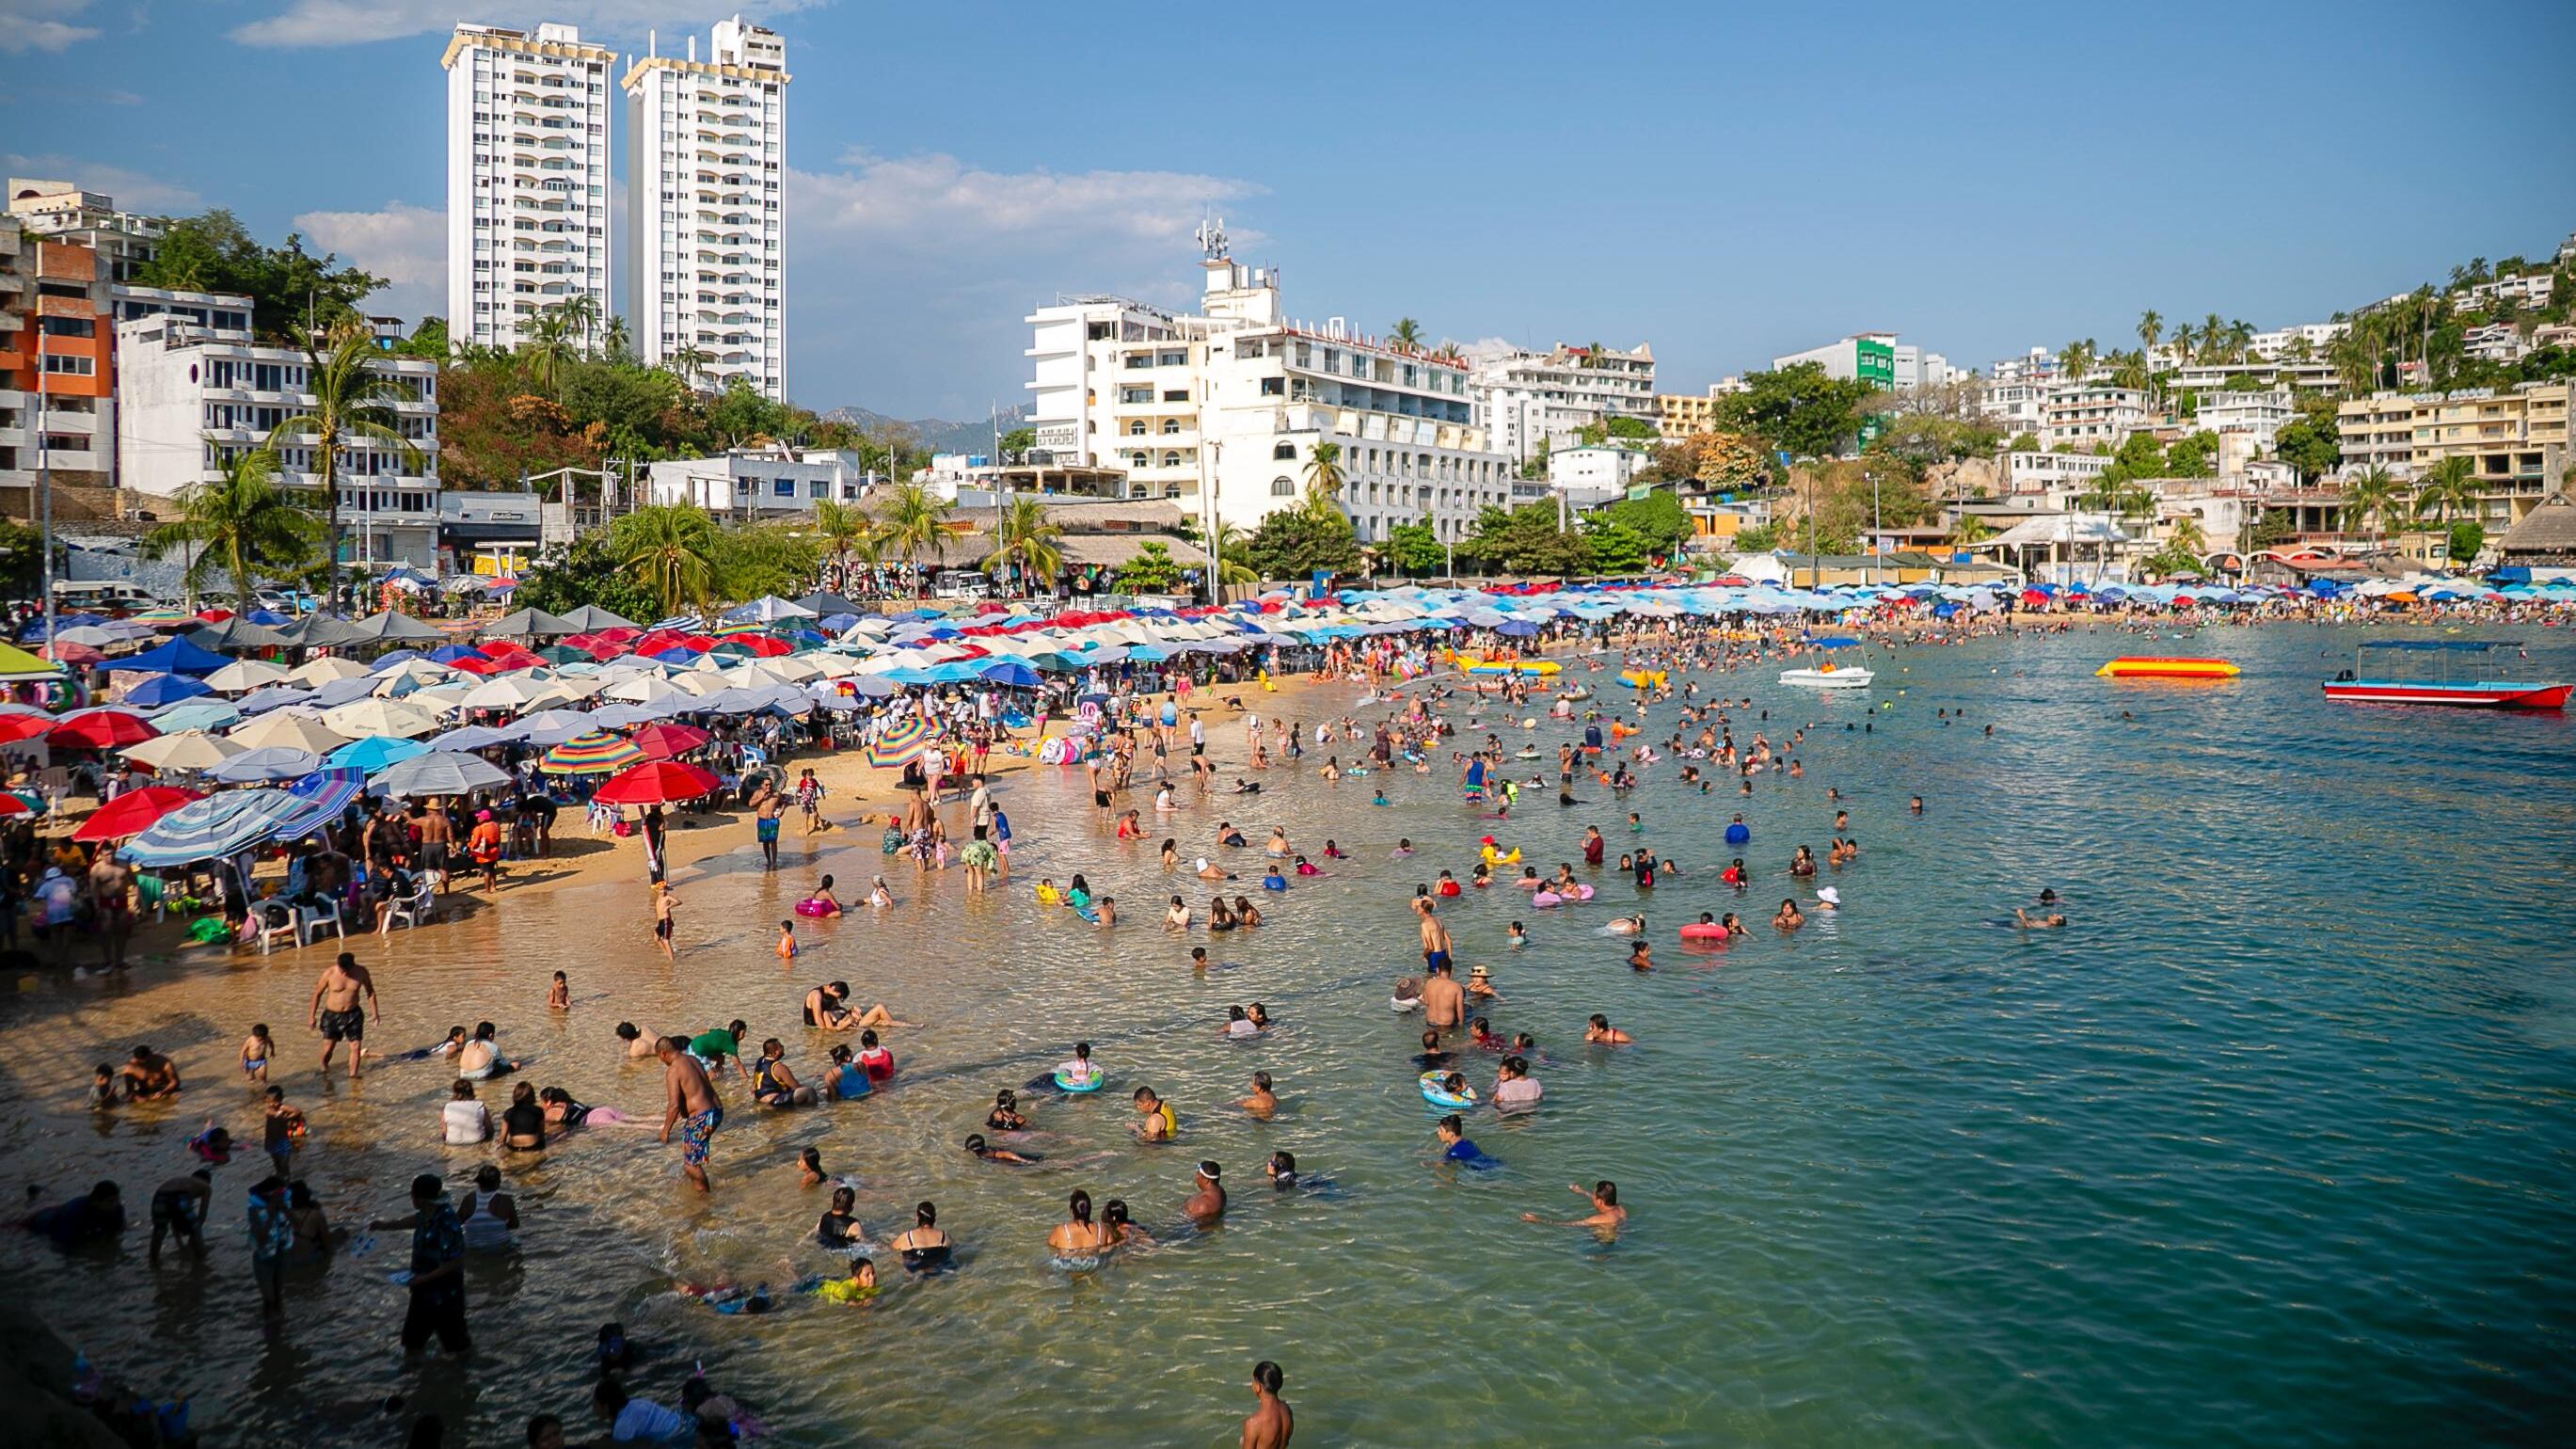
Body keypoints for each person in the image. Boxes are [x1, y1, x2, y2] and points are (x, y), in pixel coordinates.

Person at [372, 1173, 469, 1354]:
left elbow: (455, 1262)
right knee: (412, 1345)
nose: (411, 1198)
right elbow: (416, 1220)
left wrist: (424, 1278)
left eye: (412, 1195)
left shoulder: (448, 1222)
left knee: (457, 1350)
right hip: (422, 1291)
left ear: (422, 1199)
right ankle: (415, 1380)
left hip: (446, 1295)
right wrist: (384, 1225)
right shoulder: (426, 1213)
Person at [656, 1036, 724, 1194]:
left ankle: (705, 1201)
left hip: (702, 1116)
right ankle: (694, 1188)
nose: (660, 1061)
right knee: (688, 1150)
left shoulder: (673, 1070)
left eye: (659, 1057)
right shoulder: (693, 1060)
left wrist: (666, 1130)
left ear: (663, 1053)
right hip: (716, 1110)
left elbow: (674, 1105)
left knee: (691, 1165)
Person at [309, 952, 380, 1078]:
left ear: (353, 965)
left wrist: (375, 1013)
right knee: (328, 1048)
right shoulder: (329, 973)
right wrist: (311, 1016)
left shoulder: (361, 972)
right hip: (332, 1015)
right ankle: (324, 1068)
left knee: (356, 1046)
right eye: (342, 970)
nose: (344, 974)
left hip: (353, 1014)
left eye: (347, 971)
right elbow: (317, 994)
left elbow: (370, 992)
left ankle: (353, 1077)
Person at [22, 1180, 124, 1247]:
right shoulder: (73, 1212)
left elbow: (117, 1232)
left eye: (117, 1200)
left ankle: (40, 1192)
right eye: (111, 1201)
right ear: (96, 1201)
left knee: (53, 1201)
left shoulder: (117, 1208)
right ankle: (35, 1193)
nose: (115, 1204)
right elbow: (61, 1244)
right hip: (43, 1221)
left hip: (61, 1210)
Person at [592, 1376, 692, 1443]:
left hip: (676, 1437)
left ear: (606, 1407)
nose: (593, 1408)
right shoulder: (637, 1402)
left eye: (596, 1404)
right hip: (683, 1423)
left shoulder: (622, 1426)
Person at [246, 1175, 293, 1314]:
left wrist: (284, 1208)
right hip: (263, 1258)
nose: (281, 1196)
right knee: (269, 1298)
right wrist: (270, 1215)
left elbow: (297, 1224)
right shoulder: (254, 1209)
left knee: (278, 1295)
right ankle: (268, 1328)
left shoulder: (286, 1202)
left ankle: (279, 1326)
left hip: (281, 1253)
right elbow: (260, 1239)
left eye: (282, 1193)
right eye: (278, 1193)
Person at [148, 1168, 213, 1264]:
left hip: (160, 1193)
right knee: (195, 1229)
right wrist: (191, 1243)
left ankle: (153, 1262)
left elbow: (174, 1220)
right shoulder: (206, 1187)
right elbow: (202, 1217)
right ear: (208, 1181)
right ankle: (201, 1264)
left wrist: (181, 1245)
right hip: (180, 1195)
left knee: (159, 1230)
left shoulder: (184, 1181)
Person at [1523, 1179, 1626, 1233]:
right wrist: (1581, 1191)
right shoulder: (1620, 1209)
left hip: (1602, 1246)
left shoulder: (1597, 1219)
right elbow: (1603, 1199)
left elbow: (1569, 1225)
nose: (1592, 1197)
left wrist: (1538, 1220)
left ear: (1599, 1201)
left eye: (1594, 1195)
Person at [458, 1164, 519, 1250]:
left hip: (472, 1245)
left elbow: (458, 1222)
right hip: (498, 1246)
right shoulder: (506, 1200)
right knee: (515, 1242)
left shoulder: (469, 1199)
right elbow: (515, 1225)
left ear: (479, 1182)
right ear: (498, 1183)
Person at [888, 1201, 953, 1274]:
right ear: (934, 1217)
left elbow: (890, 1248)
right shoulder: (945, 1236)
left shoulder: (908, 1237)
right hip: (941, 1268)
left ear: (918, 1218)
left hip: (914, 1269)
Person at [1242, 1360, 1295, 1449]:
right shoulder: (1287, 1410)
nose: (1251, 1384)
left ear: (1258, 1387)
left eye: (1253, 1381)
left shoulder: (1253, 1423)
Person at [750, 1040, 818, 1107]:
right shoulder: (778, 1067)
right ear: (775, 1052)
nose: (783, 1047)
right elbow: (795, 1086)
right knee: (809, 1091)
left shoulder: (760, 1060)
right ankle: (813, 1112)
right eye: (781, 1046)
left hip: (759, 1098)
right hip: (773, 1101)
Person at [1049, 1189, 1110, 1256]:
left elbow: (1051, 1248)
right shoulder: (1102, 1229)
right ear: (1090, 1208)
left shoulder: (1060, 1231)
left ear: (1071, 1211)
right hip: (1095, 1261)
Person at [262, 1087, 306, 1179]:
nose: (273, 1104)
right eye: (269, 1102)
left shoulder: (283, 1107)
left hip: (282, 1140)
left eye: (275, 1101)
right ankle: (279, 1175)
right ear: (265, 1101)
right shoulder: (268, 1110)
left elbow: (297, 1111)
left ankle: (286, 1177)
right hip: (270, 1140)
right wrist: (281, 1115)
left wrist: (289, 1118)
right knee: (276, 1161)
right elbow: (272, 1114)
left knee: (284, 1162)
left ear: (281, 1099)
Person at [815, 1186, 867, 1250]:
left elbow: (815, 1231)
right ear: (852, 1207)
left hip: (822, 1246)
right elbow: (864, 1243)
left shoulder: (824, 1217)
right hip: (841, 1251)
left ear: (833, 1203)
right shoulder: (853, 1225)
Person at [442, 1079, 492, 1145]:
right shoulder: (480, 1105)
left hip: (452, 1143)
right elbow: (489, 1129)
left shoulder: (447, 1107)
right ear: (472, 1092)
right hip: (476, 1142)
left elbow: (444, 1133)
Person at [501, 1082, 547, 1151]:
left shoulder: (508, 1113)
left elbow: (502, 1138)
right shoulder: (538, 1111)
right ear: (532, 1096)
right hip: (533, 1146)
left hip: (513, 1148)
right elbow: (541, 1134)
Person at [814, 1257, 881, 1304]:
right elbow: (843, 1300)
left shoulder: (874, 1288)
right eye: (867, 1275)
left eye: (873, 1273)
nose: (872, 1277)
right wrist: (861, 1303)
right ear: (856, 1279)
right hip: (819, 1287)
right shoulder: (846, 1288)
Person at [1421, 959, 1465, 1029]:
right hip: (1446, 1025)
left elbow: (1426, 1002)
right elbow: (1460, 1010)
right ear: (1451, 971)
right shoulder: (1457, 987)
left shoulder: (1429, 983)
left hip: (1430, 1022)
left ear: (1437, 970)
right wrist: (1461, 1025)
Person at [1185, 1160, 1227, 1225]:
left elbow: (1188, 1222)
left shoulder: (1203, 1204)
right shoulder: (1220, 1191)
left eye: (1198, 1174)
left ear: (1206, 1180)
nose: (1196, 1177)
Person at [964, 1133, 1042, 1165]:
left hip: (1024, 1161)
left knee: (1044, 1162)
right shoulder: (985, 1150)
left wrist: (1026, 1162)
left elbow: (1007, 1154)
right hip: (1018, 1159)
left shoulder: (989, 1154)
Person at [651, 882, 678, 961]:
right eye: (661, 890)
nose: (662, 891)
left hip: (666, 921)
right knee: (656, 938)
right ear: (657, 891)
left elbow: (678, 901)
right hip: (660, 922)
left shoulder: (667, 897)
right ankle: (667, 953)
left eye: (664, 889)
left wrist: (669, 906)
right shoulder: (658, 899)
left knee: (666, 941)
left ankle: (671, 960)